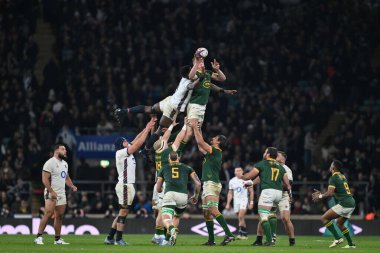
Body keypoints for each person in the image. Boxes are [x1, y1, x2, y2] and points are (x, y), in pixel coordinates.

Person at [114, 65, 198, 149]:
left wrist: (197, 63)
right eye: (191, 70)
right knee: (159, 131)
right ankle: (145, 151)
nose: (194, 71)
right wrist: (200, 79)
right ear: (188, 74)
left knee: (150, 109)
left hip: (169, 100)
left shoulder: (184, 77)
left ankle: (123, 111)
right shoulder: (189, 82)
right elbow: (191, 86)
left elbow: (193, 73)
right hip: (173, 107)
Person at [104, 117, 156, 246]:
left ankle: (110, 237)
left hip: (127, 185)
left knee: (122, 211)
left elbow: (137, 139)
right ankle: (118, 239)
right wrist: (148, 130)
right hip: (125, 185)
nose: (127, 141)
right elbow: (138, 144)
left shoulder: (125, 151)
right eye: (125, 141)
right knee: (124, 212)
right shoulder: (121, 153)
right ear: (121, 145)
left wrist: (146, 128)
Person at [188, 118, 235, 246]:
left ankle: (229, 234)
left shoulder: (215, 151)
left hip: (212, 183)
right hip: (207, 184)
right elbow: (200, 145)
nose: (213, 138)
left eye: (215, 138)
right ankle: (211, 240)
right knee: (206, 213)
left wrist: (195, 128)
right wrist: (198, 128)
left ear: (218, 142)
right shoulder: (211, 153)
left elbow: (200, 141)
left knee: (213, 210)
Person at [151, 117, 191, 244]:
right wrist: (184, 125)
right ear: (163, 145)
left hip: (157, 181)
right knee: (163, 213)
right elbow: (179, 138)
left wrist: (171, 126)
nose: (165, 141)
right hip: (164, 184)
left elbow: (165, 137)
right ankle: (160, 237)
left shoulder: (158, 152)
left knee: (160, 211)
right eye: (163, 141)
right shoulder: (167, 152)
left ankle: (158, 236)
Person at [243, 147, 292, 246]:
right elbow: (287, 183)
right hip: (278, 193)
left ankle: (270, 240)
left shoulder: (262, 163)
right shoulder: (280, 166)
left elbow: (248, 176)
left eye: (265, 152)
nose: (264, 153)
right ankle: (272, 235)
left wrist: (242, 177)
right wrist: (290, 193)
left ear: (268, 154)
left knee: (263, 215)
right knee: (272, 213)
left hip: (268, 192)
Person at [34, 144, 77, 245]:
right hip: (51, 192)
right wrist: (51, 191)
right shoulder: (50, 163)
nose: (65, 151)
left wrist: (72, 186)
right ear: (56, 151)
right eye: (63, 149)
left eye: (65, 149)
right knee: (48, 213)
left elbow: (66, 178)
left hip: (62, 193)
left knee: (60, 216)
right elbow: (44, 179)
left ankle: (57, 239)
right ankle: (38, 237)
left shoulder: (65, 164)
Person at [156, 151, 201, 246]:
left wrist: (160, 190)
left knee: (166, 217)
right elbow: (198, 183)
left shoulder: (164, 168)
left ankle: (172, 229)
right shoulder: (188, 168)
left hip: (170, 194)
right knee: (176, 216)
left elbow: (158, 188)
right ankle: (168, 240)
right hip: (183, 196)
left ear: (169, 158)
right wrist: (196, 196)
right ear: (178, 158)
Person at [312, 160, 356, 249]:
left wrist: (320, 196)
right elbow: (336, 192)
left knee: (324, 218)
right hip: (351, 203)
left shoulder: (333, 178)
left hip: (345, 204)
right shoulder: (342, 176)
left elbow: (330, 193)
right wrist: (323, 193)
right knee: (340, 223)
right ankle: (351, 244)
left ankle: (338, 238)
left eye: (331, 165)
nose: (330, 166)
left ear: (333, 168)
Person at [187, 54, 237, 129]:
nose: (200, 63)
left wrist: (217, 70)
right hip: (194, 104)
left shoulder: (207, 73)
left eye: (202, 61)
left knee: (195, 131)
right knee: (191, 130)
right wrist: (197, 64)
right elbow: (191, 77)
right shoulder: (194, 74)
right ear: (194, 64)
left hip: (202, 106)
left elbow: (222, 79)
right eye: (197, 61)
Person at [225, 167, 254, 240]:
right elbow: (230, 193)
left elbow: (251, 192)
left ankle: (241, 234)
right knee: (240, 218)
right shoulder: (232, 181)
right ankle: (243, 234)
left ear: (242, 171)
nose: (238, 172)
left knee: (241, 216)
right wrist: (228, 203)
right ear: (234, 172)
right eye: (236, 171)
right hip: (236, 201)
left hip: (244, 200)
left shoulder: (247, 180)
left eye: (239, 170)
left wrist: (251, 202)